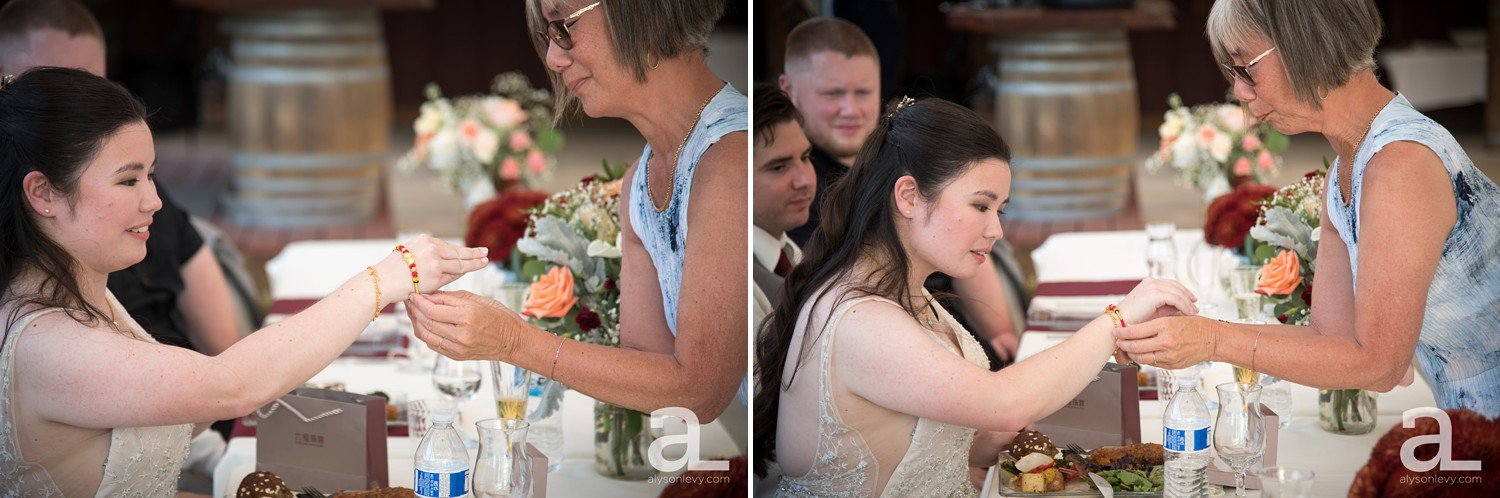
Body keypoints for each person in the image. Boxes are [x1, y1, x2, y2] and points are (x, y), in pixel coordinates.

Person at [0, 67, 488, 496]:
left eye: (151, 176)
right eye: (129, 181)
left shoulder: (78, 292)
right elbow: (232, 385)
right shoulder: (46, 342)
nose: (154, 201)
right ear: (43, 192)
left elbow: (182, 409)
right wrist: (390, 275)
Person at [752, 96, 1199, 496]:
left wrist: (981, 443)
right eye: (981, 206)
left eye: (999, 210)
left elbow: (909, 431)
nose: (997, 230)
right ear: (908, 196)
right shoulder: (858, 319)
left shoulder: (905, 291)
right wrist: (1116, 318)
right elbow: (1003, 403)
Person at [1113, 0, 1500, 417]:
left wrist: (1211, 340)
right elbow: (1331, 341)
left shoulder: (1399, 163)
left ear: (1307, 45)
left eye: (1246, 68)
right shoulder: (1345, 170)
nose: (1240, 91)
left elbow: (1378, 365)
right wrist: (1197, 333)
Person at [403, 0, 748, 444]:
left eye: (563, 26)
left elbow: (697, 393)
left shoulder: (730, 161)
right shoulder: (637, 184)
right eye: (548, 36)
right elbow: (650, 368)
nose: (553, 57)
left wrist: (514, 342)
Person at [0, 0, 243, 356]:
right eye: (46, 86)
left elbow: (225, 351)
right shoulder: (41, 322)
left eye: (89, 87)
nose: (77, 108)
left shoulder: (143, 198)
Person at [778, 16, 1024, 368]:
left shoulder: (906, 148)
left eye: (862, 92)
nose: (850, 109)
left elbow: (969, 229)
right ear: (789, 90)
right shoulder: (801, 183)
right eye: (832, 94)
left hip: (950, 325)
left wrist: (1000, 331)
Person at [752, 82, 814, 335]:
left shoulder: (792, 254)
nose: (805, 180)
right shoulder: (737, 277)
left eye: (806, 158)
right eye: (779, 167)